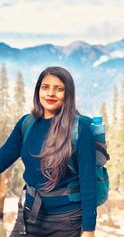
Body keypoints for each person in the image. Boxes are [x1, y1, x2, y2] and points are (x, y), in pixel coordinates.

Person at [0, 66, 97, 237]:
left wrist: (89, 230)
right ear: (38, 90)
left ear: (68, 95)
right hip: (29, 216)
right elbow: (4, 156)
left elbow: (88, 183)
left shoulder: (80, 130)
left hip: (66, 221)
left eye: (59, 89)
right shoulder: (27, 124)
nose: (50, 93)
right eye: (45, 87)